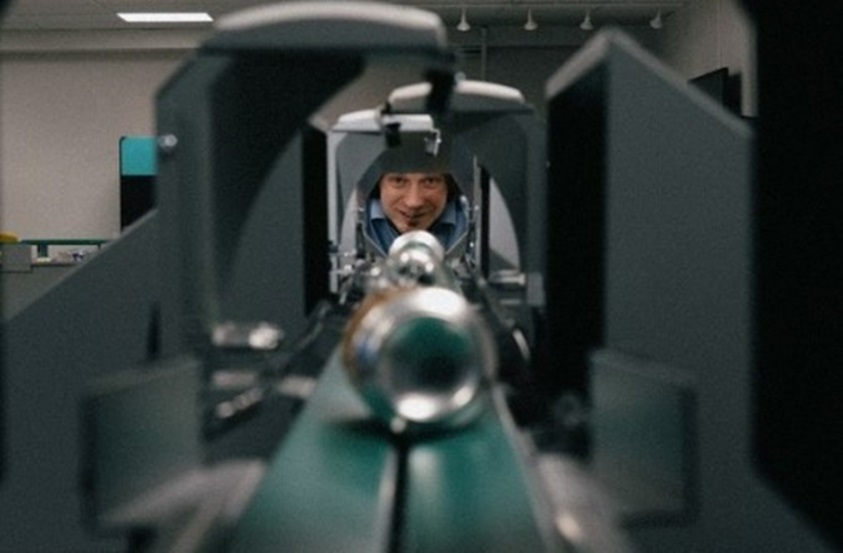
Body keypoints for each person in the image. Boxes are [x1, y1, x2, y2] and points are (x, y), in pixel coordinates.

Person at [364, 171, 468, 256]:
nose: (413, 202)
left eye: (430, 181)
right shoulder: (352, 222)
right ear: (379, 184)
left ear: (448, 186)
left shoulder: (472, 221)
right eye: (398, 181)